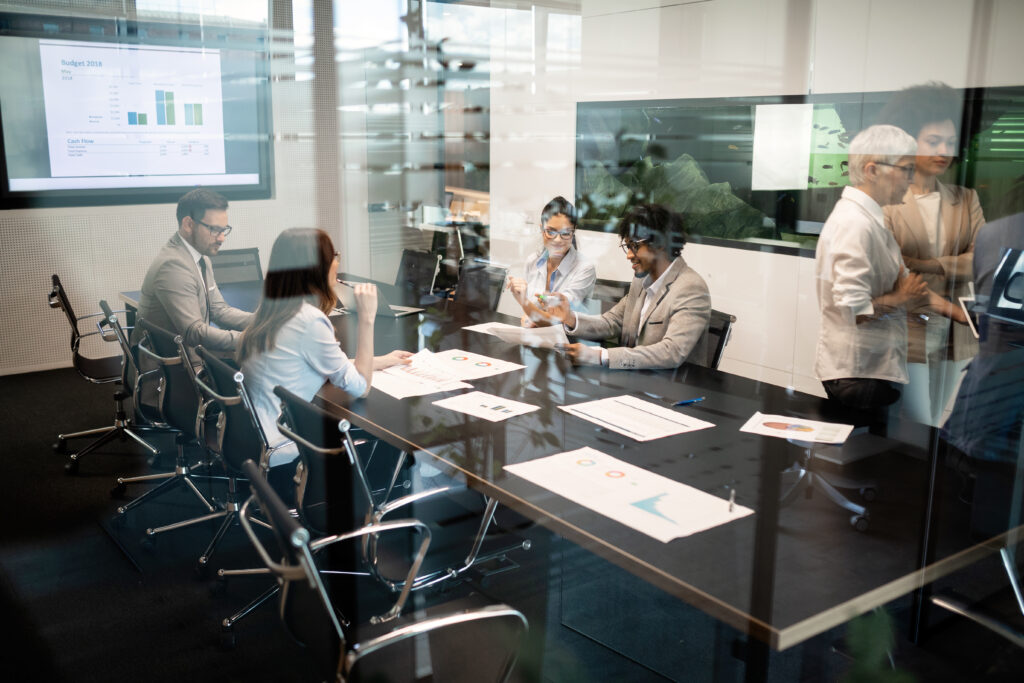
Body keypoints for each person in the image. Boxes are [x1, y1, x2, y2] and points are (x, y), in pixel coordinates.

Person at [814, 125, 966, 430]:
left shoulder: (872, 219)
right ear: (872, 170)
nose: (911, 179)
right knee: (865, 466)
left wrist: (961, 315)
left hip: (872, 369)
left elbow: (911, 284)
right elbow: (851, 308)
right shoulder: (855, 224)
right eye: (906, 169)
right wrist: (900, 299)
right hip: (858, 372)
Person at [237, 228, 412, 472]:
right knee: (387, 442)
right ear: (316, 268)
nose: (337, 262)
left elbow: (317, 362)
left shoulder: (271, 310)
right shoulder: (309, 321)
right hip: (286, 448)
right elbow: (361, 387)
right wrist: (367, 318)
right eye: (334, 255)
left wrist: (380, 361)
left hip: (255, 437)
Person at [877, 82, 986, 425]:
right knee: (918, 423)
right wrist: (949, 268)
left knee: (937, 422)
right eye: (933, 141)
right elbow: (894, 272)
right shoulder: (888, 200)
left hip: (956, 333)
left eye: (950, 143)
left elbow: (980, 258)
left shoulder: (965, 198)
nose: (944, 150)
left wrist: (928, 264)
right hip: (908, 327)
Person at [540, 203, 711, 369]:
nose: (629, 255)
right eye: (628, 246)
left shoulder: (691, 288)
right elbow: (611, 322)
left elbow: (671, 352)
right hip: (633, 382)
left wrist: (601, 356)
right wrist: (569, 317)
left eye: (635, 246)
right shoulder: (641, 281)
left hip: (673, 389)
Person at [132, 188, 253, 353]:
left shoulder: (201, 258)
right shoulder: (173, 266)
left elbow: (218, 310)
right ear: (188, 224)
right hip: (170, 369)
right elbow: (193, 332)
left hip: (186, 357)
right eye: (215, 230)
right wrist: (252, 339)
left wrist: (263, 322)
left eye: (224, 230)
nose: (221, 238)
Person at [506, 196, 596, 326]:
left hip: (569, 342)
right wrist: (528, 316)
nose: (558, 240)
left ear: (574, 230)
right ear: (542, 229)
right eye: (551, 232)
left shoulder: (585, 268)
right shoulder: (532, 261)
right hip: (536, 339)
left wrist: (525, 303)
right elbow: (531, 316)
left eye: (565, 233)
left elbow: (557, 320)